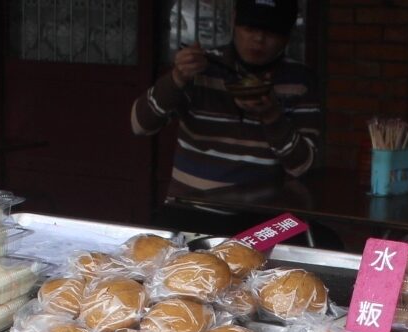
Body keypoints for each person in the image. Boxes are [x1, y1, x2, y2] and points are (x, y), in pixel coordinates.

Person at [131, 0, 320, 192]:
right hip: (190, 206)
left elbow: (304, 167)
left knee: (292, 224)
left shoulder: (300, 81)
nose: (258, 39)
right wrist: (176, 78)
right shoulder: (203, 69)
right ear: (234, 21)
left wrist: (271, 116)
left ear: (287, 35)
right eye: (249, 28)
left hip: (261, 211)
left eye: (271, 32)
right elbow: (140, 125)